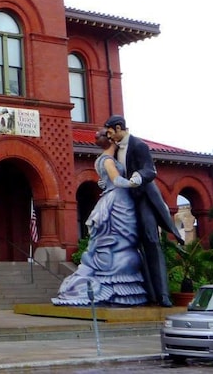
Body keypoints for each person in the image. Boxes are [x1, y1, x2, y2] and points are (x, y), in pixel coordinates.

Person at [52, 129, 147, 306]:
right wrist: (134, 182)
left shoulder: (101, 159)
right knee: (119, 235)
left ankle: (107, 272)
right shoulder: (108, 160)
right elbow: (117, 180)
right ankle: (111, 279)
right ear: (111, 140)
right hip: (118, 198)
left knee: (118, 237)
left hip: (111, 198)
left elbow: (106, 180)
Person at [104, 115, 185, 307]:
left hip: (143, 198)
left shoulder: (139, 145)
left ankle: (163, 295)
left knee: (150, 241)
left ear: (118, 128)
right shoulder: (114, 150)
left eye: (109, 132)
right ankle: (148, 294)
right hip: (124, 201)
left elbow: (151, 170)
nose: (108, 136)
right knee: (133, 245)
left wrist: (139, 176)